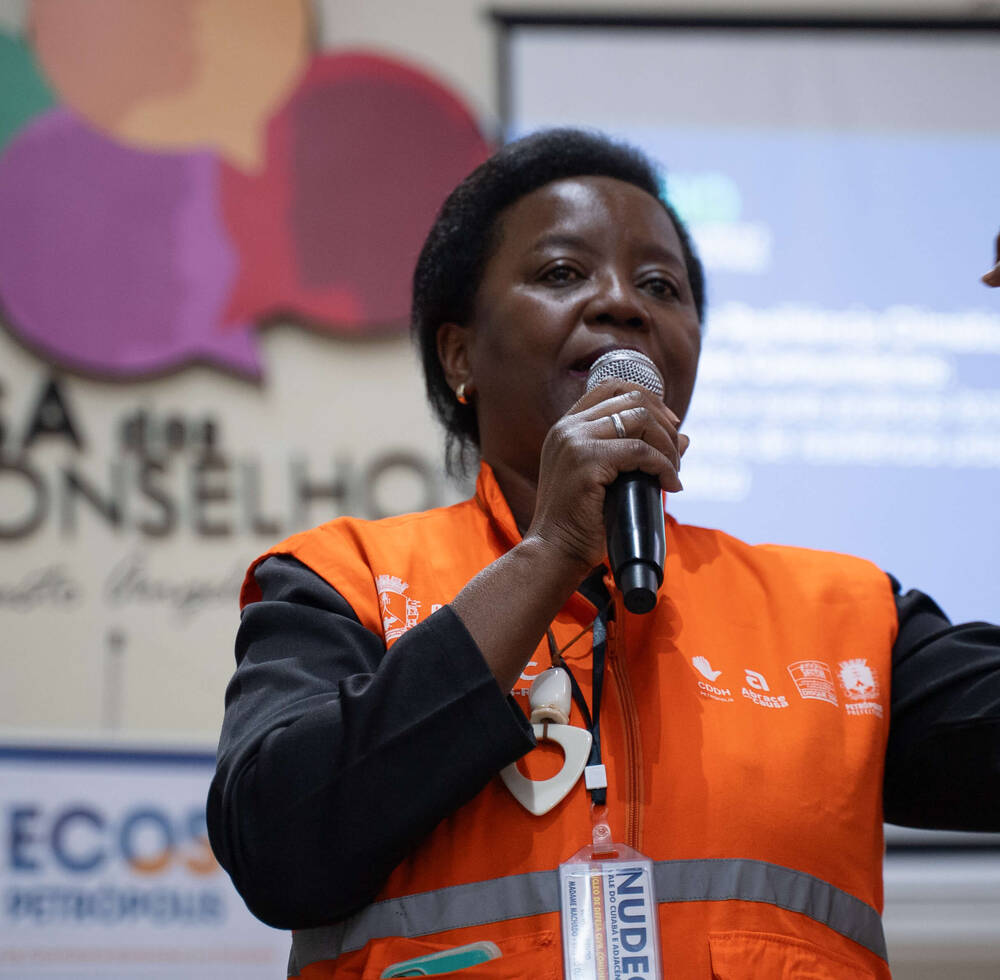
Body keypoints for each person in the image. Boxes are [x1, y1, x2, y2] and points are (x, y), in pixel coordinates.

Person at [208, 129, 1000, 979]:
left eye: (661, 286)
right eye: (561, 273)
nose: (623, 303)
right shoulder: (347, 578)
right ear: (459, 353)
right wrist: (550, 553)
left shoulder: (842, 616)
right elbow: (278, 846)